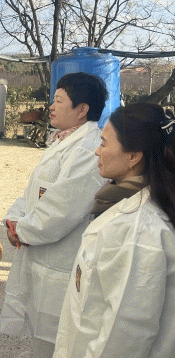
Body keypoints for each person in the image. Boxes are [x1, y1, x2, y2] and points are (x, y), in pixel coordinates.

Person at [0, 72, 109, 358]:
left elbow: (62, 210)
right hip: (42, 259)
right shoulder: (62, 141)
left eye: (59, 100)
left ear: (82, 109)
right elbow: (32, 194)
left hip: (62, 265)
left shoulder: (87, 150)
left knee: (59, 343)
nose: (51, 106)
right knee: (43, 339)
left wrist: (21, 230)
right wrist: (14, 220)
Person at [54, 103, 175, 358]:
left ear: (133, 157)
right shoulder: (123, 206)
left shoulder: (137, 231)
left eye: (104, 143)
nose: (97, 151)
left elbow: (123, 334)